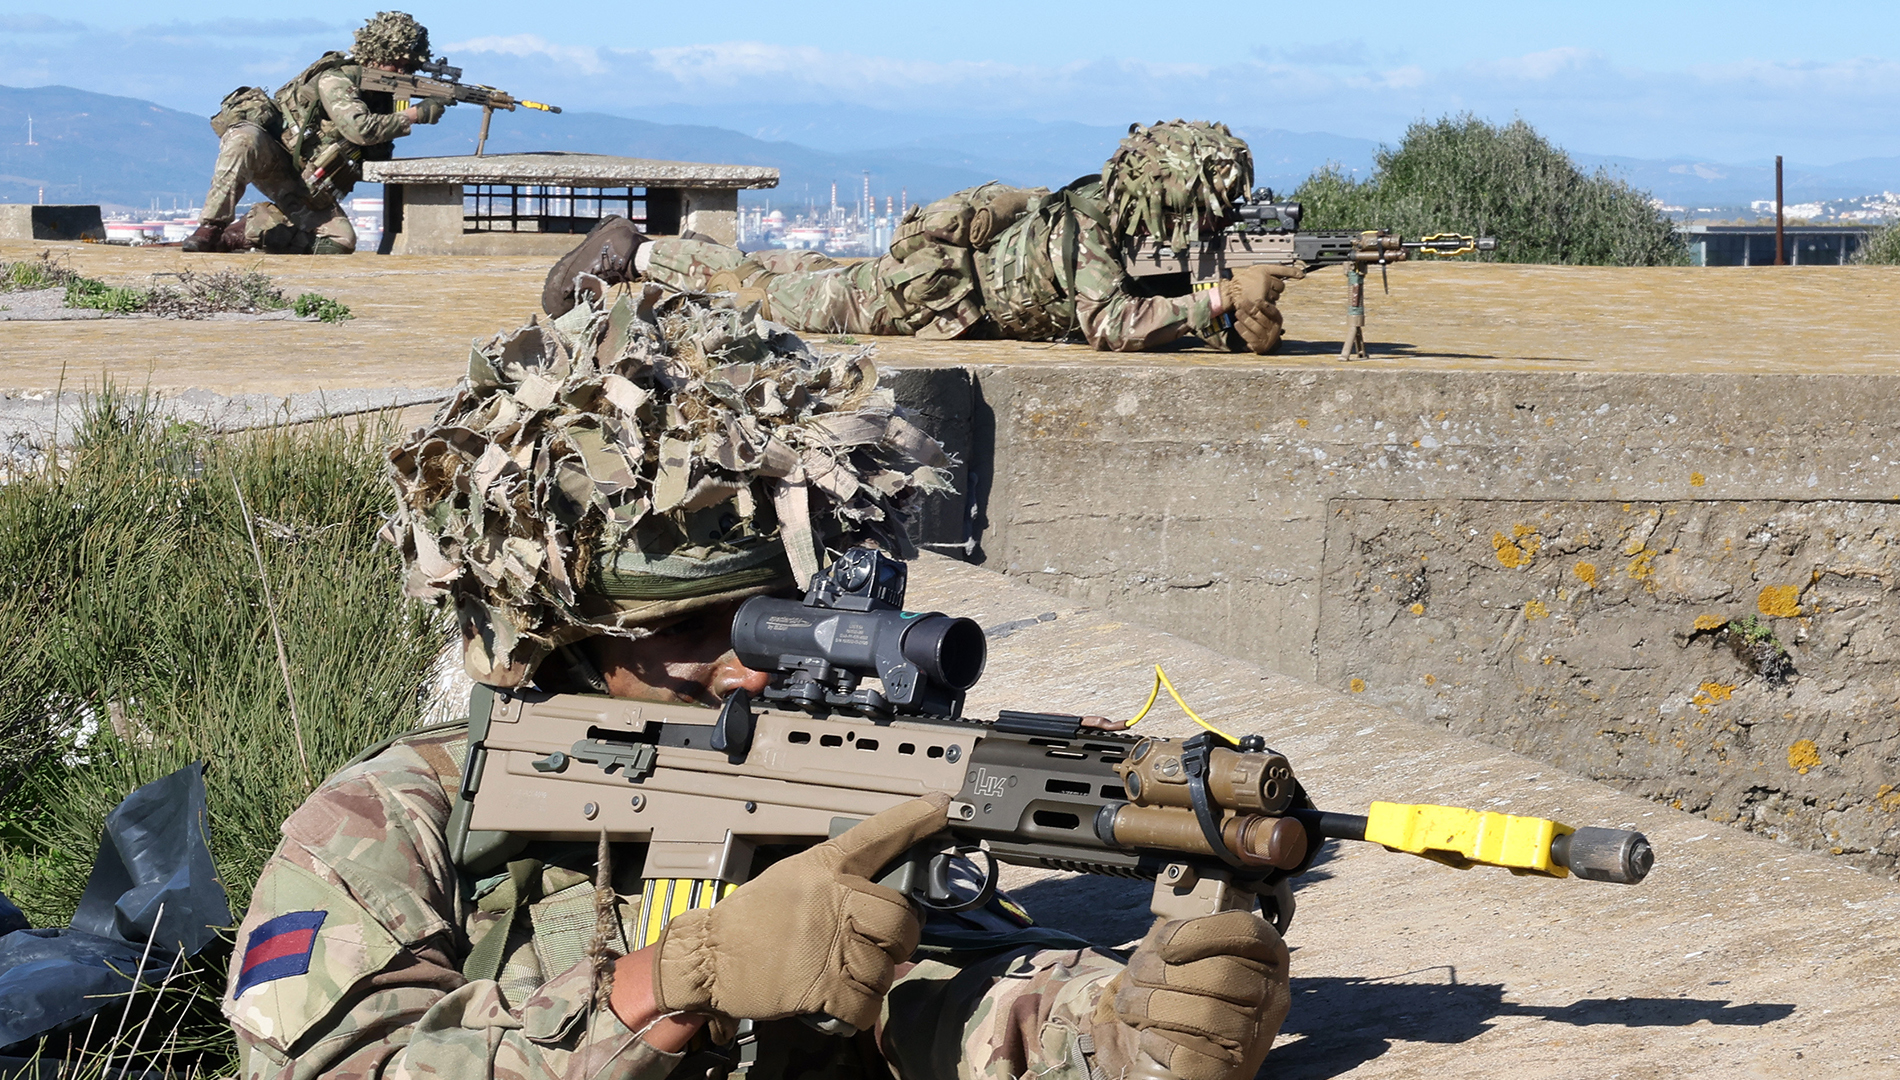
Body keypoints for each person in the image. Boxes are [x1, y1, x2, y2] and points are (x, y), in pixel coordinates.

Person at [222, 285, 1291, 1080]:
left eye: (787, 619)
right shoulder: (384, 823)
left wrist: (1108, 1030)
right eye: (692, 628)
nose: (753, 661)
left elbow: (929, 996)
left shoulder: (819, 771)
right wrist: (660, 987)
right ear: (563, 630)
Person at [542, 121, 1292, 355]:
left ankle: (656, 252)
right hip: (926, 296)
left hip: (939, 278)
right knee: (766, 298)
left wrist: (1222, 313)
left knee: (793, 271)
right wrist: (1216, 299)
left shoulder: (1110, 212)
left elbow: (1140, 296)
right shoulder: (1094, 225)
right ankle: (632, 251)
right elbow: (1111, 323)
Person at [182, 12, 445, 255]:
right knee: (244, 138)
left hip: (308, 181)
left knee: (340, 242)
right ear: (378, 54)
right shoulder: (337, 78)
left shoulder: (380, 93)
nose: (401, 72)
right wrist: (415, 114)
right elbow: (360, 129)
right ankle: (211, 227)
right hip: (274, 157)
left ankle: (250, 231)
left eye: (408, 68)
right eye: (396, 64)